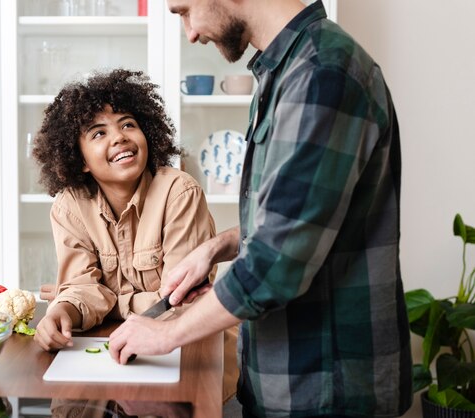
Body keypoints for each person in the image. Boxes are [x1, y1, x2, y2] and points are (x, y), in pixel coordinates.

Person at [109, 1, 413, 418]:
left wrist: (168, 332)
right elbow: (301, 216)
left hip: (324, 392)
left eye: (184, 11)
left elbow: (276, 263)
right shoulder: (287, 71)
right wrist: (217, 247)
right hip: (284, 384)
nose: (190, 33)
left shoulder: (323, 74)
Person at [31, 68, 239, 402]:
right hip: (116, 362)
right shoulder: (69, 206)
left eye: (128, 124)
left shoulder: (179, 192)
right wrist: (62, 312)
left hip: (193, 362)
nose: (119, 137)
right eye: (98, 133)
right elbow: (82, 288)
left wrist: (105, 299)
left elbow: (179, 304)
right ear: (79, 159)